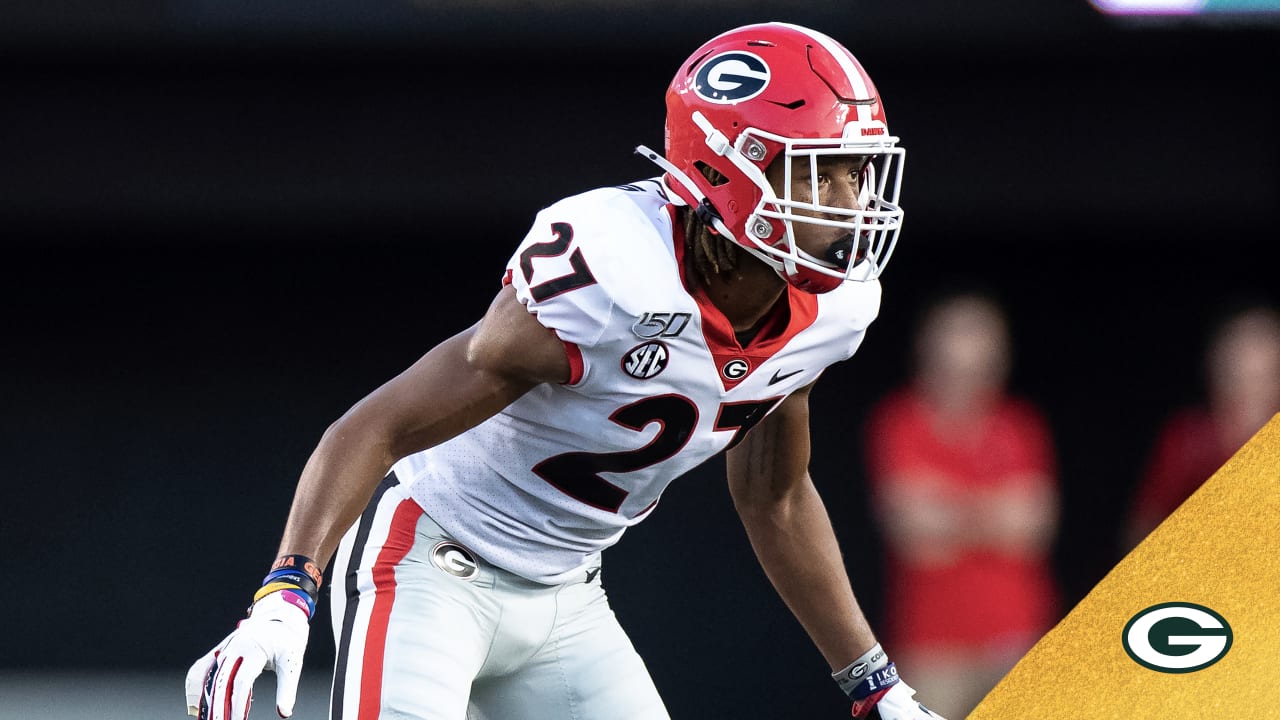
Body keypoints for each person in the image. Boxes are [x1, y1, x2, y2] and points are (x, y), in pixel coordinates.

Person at [185, 22, 944, 720]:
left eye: (855, 174)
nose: (851, 205)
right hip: (429, 567)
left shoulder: (835, 310)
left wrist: (873, 682)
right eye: (819, 176)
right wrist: (287, 590)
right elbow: (380, 427)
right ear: (730, 171)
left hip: (570, 600)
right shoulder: (613, 273)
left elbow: (774, 498)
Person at [863, 292, 1059, 719]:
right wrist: (996, 512)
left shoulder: (1019, 426)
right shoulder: (900, 421)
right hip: (930, 642)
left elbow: (1033, 527)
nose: (964, 376)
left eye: (976, 364)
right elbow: (913, 533)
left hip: (1018, 636)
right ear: (927, 356)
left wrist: (947, 507)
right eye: (952, 363)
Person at [1125, 303, 1280, 548]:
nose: (1250, 392)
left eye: (1263, 377)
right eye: (1239, 376)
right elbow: (1144, 528)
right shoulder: (1188, 438)